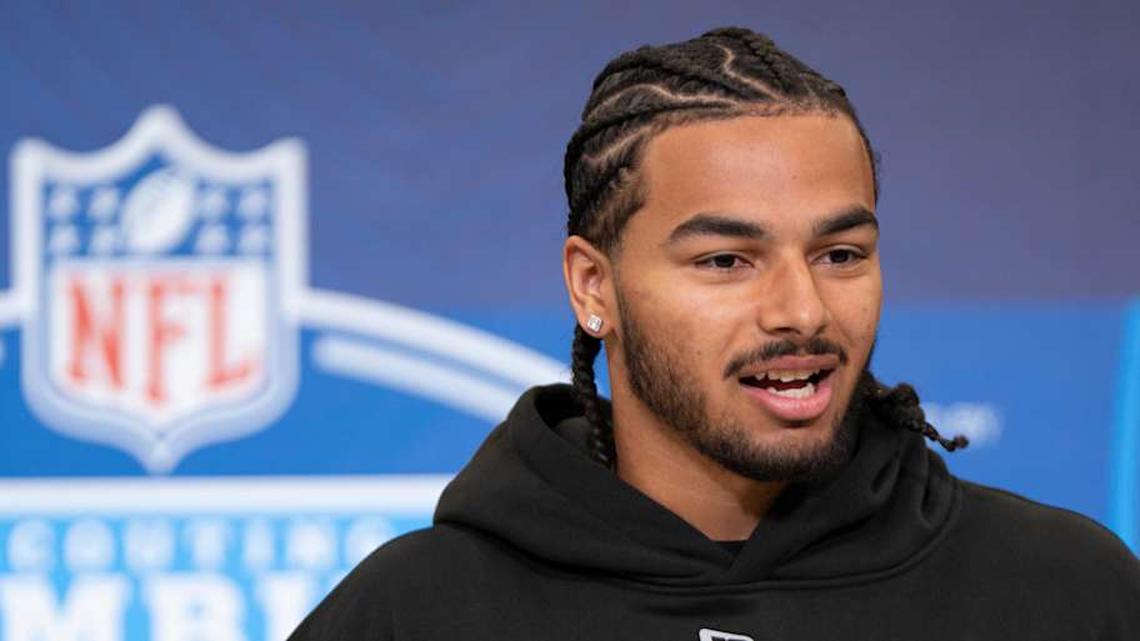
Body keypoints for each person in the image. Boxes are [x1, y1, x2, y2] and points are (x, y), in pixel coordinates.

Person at [289, 26, 1140, 640]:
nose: (802, 310)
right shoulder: (418, 613)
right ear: (595, 286)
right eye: (728, 261)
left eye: (841, 252)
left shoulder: (1066, 589)